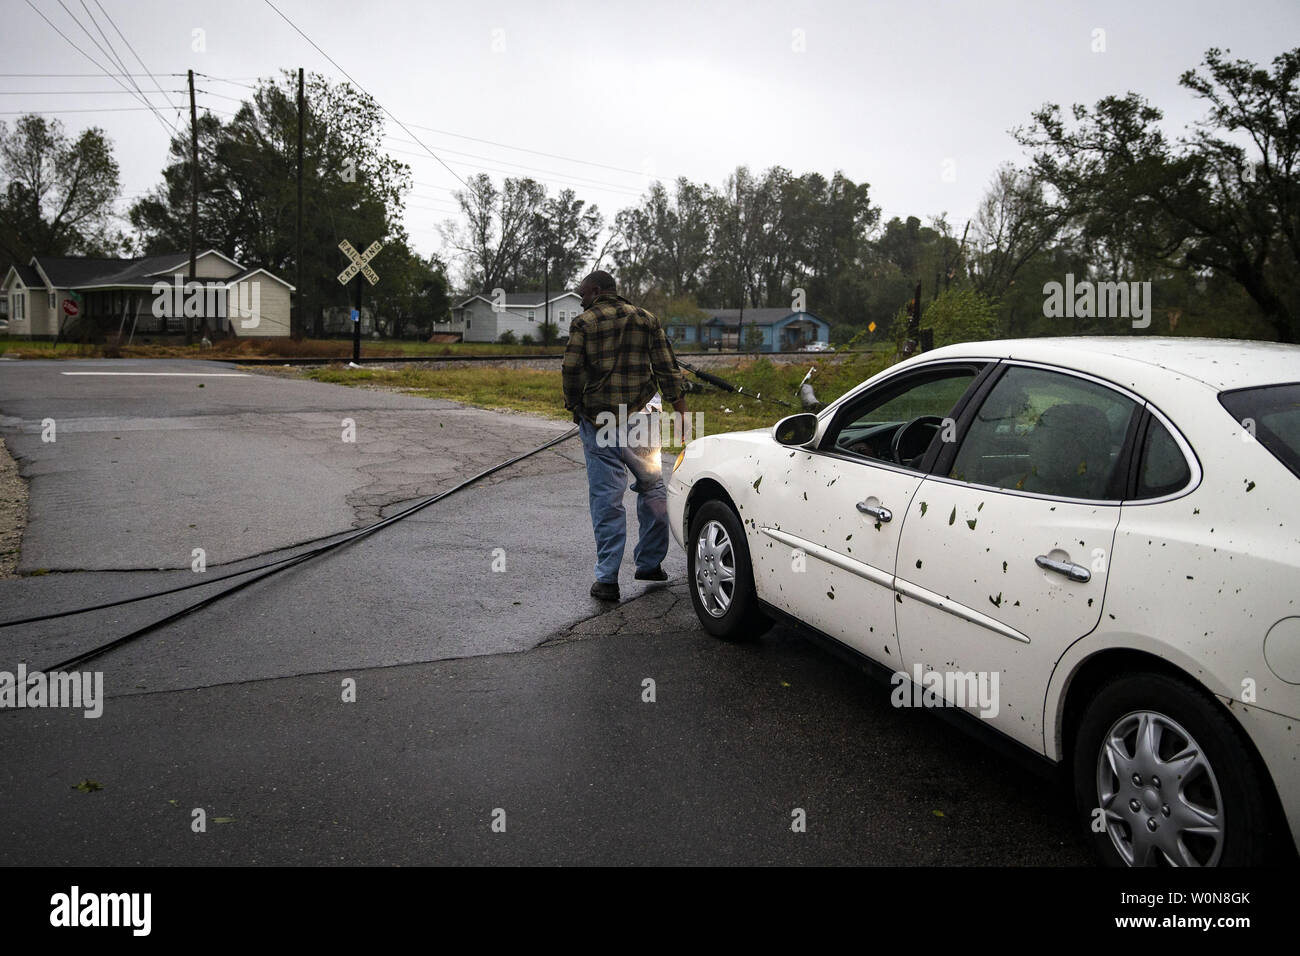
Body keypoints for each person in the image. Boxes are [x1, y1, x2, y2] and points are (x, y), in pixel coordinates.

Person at [562, 270, 688, 602]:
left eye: (582, 295)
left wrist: (574, 405)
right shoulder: (648, 320)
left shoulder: (584, 323)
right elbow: (667, 369)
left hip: (599, 420)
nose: (581, 300)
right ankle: (649, 563)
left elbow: (571, 370)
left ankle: (607, 580)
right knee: (652, 487)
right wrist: (683, 412)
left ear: (596, 290)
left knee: (607, 498)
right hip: (642, 419)